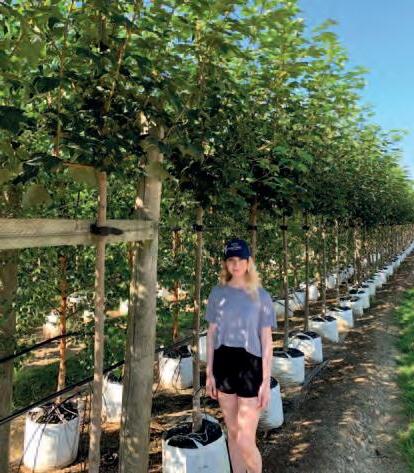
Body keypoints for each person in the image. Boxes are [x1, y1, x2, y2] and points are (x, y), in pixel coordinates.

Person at [205, 238, 276, 473]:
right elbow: (211, 335)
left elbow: (267, 341)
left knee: (246, 439)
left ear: (248, 262)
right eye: (231, 260)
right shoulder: (217, 294)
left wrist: (265, 381)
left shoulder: (261, 296)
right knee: (234, 433)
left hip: (250, 366)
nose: (235, 265)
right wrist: (209, 373)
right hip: (224, 363)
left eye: (240, 260)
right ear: (226, 264)